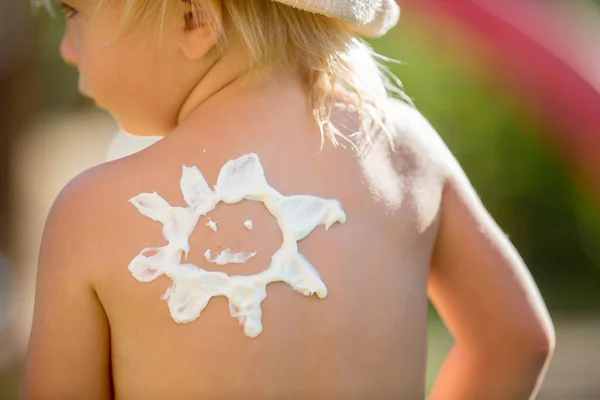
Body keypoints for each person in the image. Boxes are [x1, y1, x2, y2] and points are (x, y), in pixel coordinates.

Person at [23, 0, 555, 398]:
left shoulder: (94, 214)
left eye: (73, 11)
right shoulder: (403, 151)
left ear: (192, 17)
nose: (67, 47)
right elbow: (517, 341)